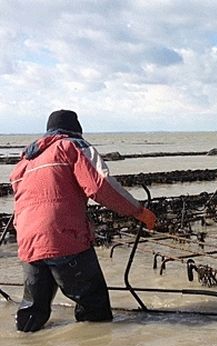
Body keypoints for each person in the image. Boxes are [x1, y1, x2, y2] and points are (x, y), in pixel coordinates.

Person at [9, 110, 157, 332]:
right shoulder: (72, 146)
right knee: (94, 309)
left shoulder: (25, 162)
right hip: (64, 238)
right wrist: (137, 211)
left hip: (28, 243)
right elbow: (100, 186)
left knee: (32, 314)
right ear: (76, 129)